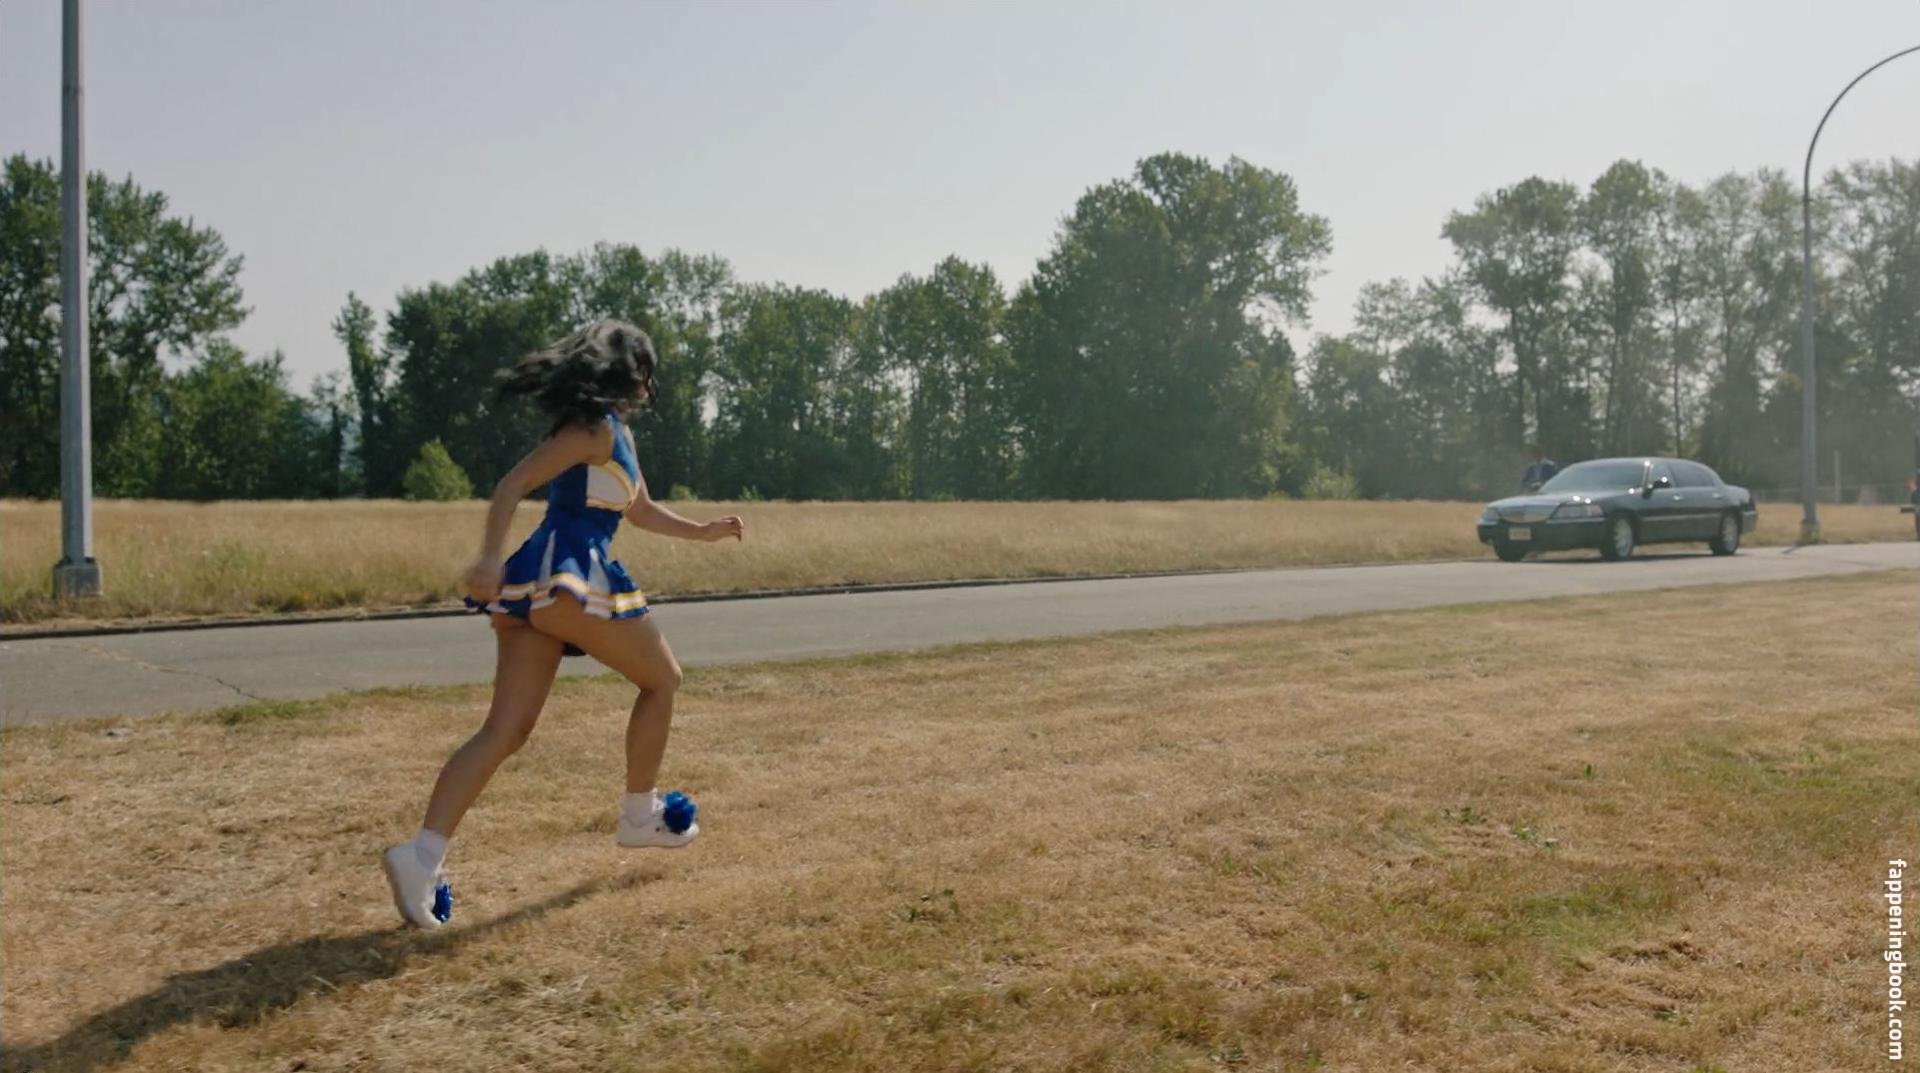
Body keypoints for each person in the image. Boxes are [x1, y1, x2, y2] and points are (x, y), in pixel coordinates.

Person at [382, 319, 744, 929]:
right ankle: (640, 815)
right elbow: (512, 486)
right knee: (663, 680)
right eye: (647, 374)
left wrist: (703, 532)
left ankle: (420, 858)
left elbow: (642, 510)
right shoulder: (592, 429)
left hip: (537, 590)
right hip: (566, 575)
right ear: (630, 372)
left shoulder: (617, 434)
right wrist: (488, 558)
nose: (650, 388)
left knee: (506, 730)